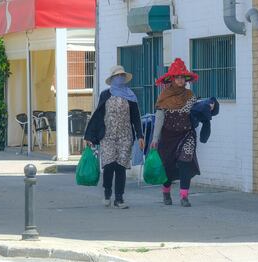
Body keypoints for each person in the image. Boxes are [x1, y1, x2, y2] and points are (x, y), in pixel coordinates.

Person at [84, 65, 144, 209]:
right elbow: (98, 115)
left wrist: (140, 135)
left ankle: (119, 198)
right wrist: (90, 136)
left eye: (122, 76)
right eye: (117, 76)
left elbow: (136, 117)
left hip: (125, 136)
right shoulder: (105, 94)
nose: (120, 78)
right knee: (109, 165)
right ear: (112, 79)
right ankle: (107, 192)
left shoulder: (130, 96)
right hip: (108, 136)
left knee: (120, 166)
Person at [151, 58, 200, 207]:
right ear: (172, 79)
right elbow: (159, 118)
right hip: (167, 136)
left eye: (182, 77)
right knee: (168, 166)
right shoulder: (164, 96)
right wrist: (155, 138)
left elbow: (197, 112)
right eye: (177, 77)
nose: (180, 80)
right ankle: (166, 192)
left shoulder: (190, 95)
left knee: (185, 162)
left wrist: (209, 107)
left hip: (186, 134)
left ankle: (184, 196)